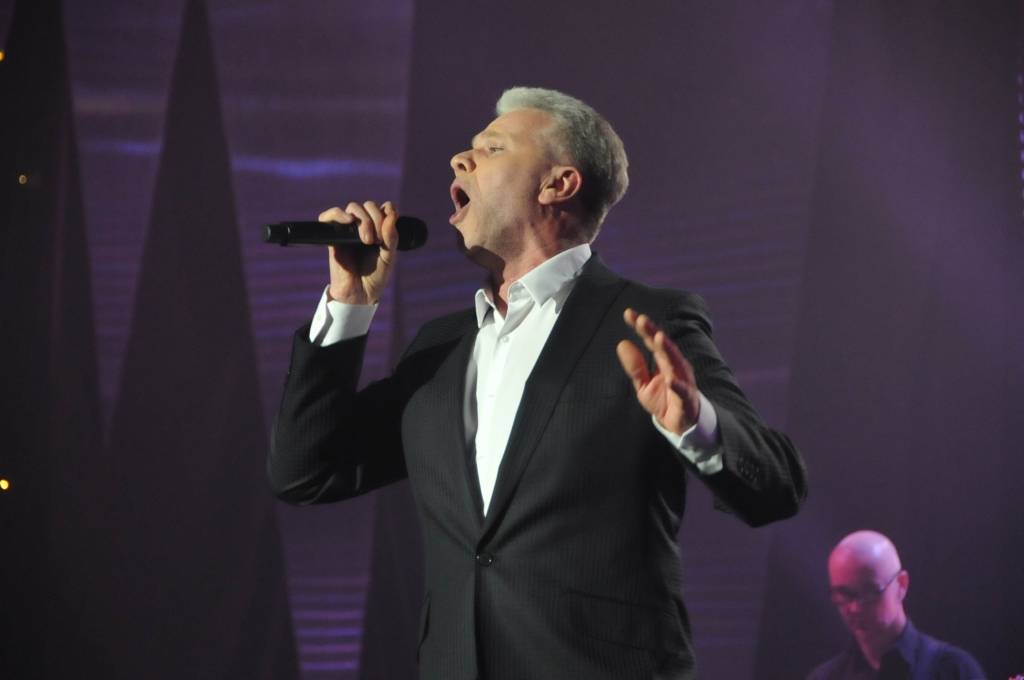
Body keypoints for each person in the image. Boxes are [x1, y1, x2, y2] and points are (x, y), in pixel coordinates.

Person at [268, 86, 807, 680]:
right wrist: (348, 304)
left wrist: (696, 423)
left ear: (558, 185)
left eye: (492, 148)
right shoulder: (441, 348)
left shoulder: (647, 321)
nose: (459, 159)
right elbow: (306, 471)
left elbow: (776, 485)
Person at [807, 530, 987, 680]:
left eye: (869, 592)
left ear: (901, 584)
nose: (855, 608)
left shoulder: (954, 671)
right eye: (843, 595)